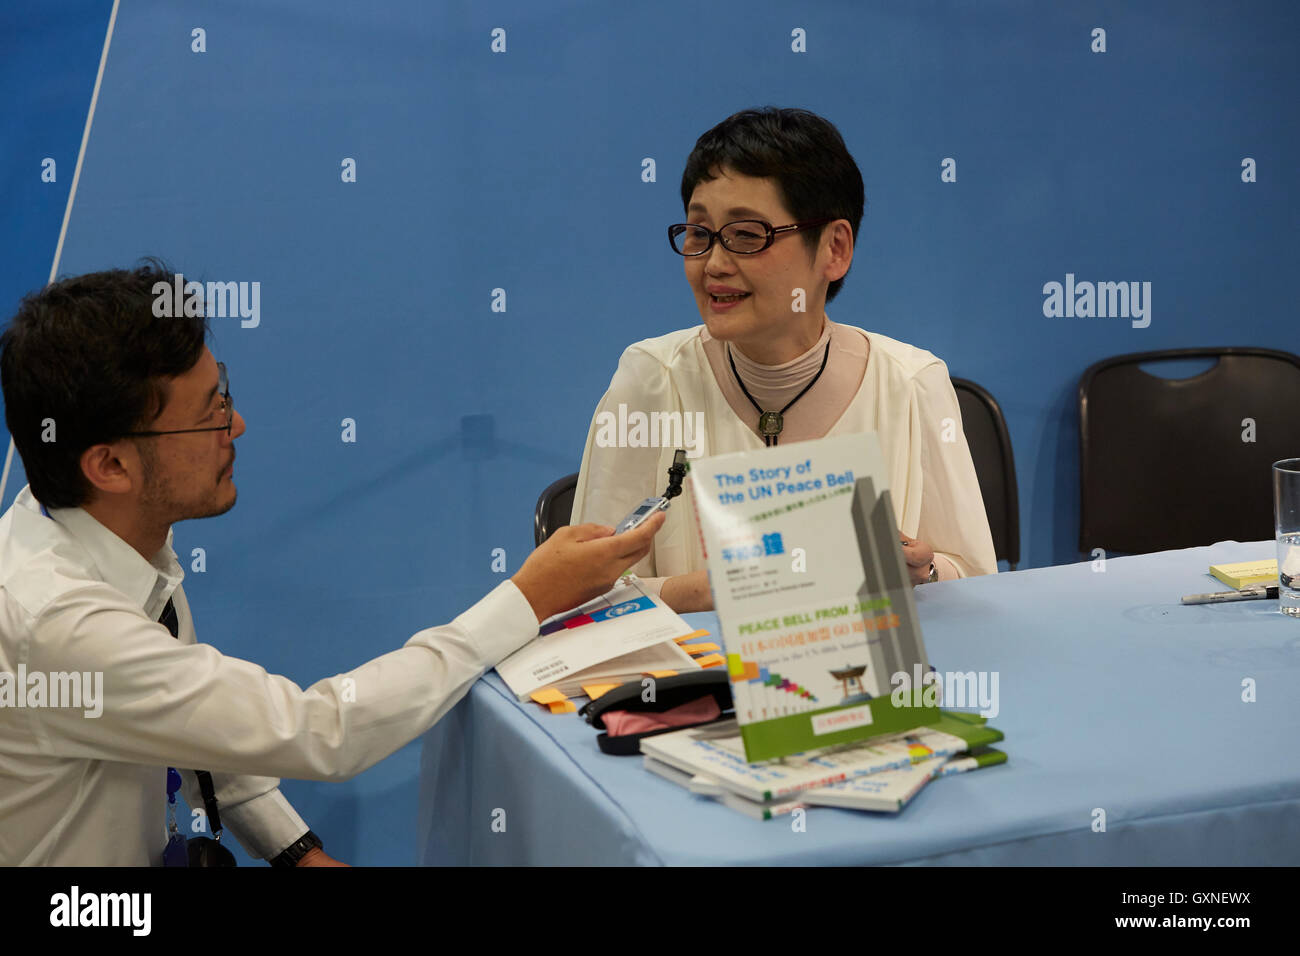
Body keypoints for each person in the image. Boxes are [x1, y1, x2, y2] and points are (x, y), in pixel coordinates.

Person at [0, 262, 663, 866]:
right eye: (209, 416)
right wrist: (529, 596)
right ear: (111, 465)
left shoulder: (95, 536)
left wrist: (296, 854)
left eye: (223, 394)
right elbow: (324, 731)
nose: (237, 428)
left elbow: (191, 726)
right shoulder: (58, 624)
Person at [570, 107, 996, 613]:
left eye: (748, 236)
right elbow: (585, 597)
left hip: (874, 684)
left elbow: (975, 582)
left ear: (834, 249)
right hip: (701, 688)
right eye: (699, 234)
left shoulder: (911, 383)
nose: (715, 264)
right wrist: (710, 593)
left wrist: (923, 572)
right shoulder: (652, 380)